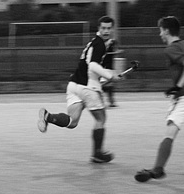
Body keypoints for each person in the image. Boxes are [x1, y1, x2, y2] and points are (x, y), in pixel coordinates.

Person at [134, 16, 184, 182]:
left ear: (166, 30)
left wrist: (179, 87)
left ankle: (158, 169)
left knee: (170, 131)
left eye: (160, 31)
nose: (160, 35)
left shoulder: (171, 48)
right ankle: (159, 169)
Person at [37, 16, 123, 163]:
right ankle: (97, 154)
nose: (106, 31)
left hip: (74, 85)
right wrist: (110, 75)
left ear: (112, 29)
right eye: (103, 28)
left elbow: (91, 68)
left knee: (72, 122)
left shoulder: (94, 43)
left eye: (109, 28)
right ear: (99, 28)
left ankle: (48, 117)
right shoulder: (100, 44)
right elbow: (94, 66)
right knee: (101, 119)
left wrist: (105, 76)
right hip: (86, 88)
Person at [100, 37, 120, 108]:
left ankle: (111, 102)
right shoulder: (106, 49)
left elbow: (113, 51)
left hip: (109, 69)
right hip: (105, 69)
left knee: (110, 86)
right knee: (104, 86)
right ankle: (101, 102)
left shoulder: (110, 49)